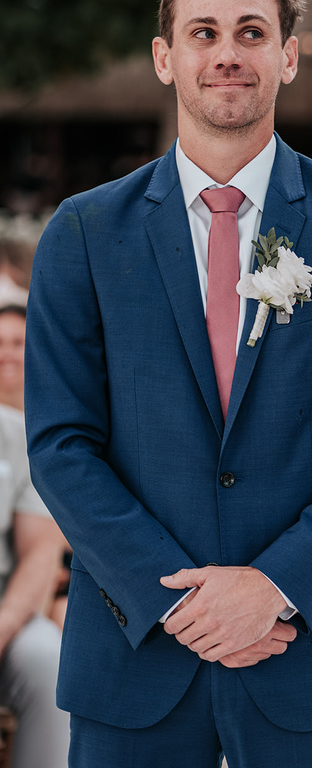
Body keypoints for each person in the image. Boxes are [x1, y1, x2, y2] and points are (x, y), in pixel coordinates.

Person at [24, 0, 312, 767]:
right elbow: (61, 445)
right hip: (135, 653)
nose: (227, 54)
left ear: (287, 55)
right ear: (164, 58)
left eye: (252, 32)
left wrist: (276, 587)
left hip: (310, 653)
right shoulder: (84, 232)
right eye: (203, 32)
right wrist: (181, 603)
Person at [0, 304, 70, 767]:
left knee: (47, 655)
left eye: (17, 343)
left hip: (11, 610)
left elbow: (42, 550)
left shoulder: (21, 435)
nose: (7, 354)